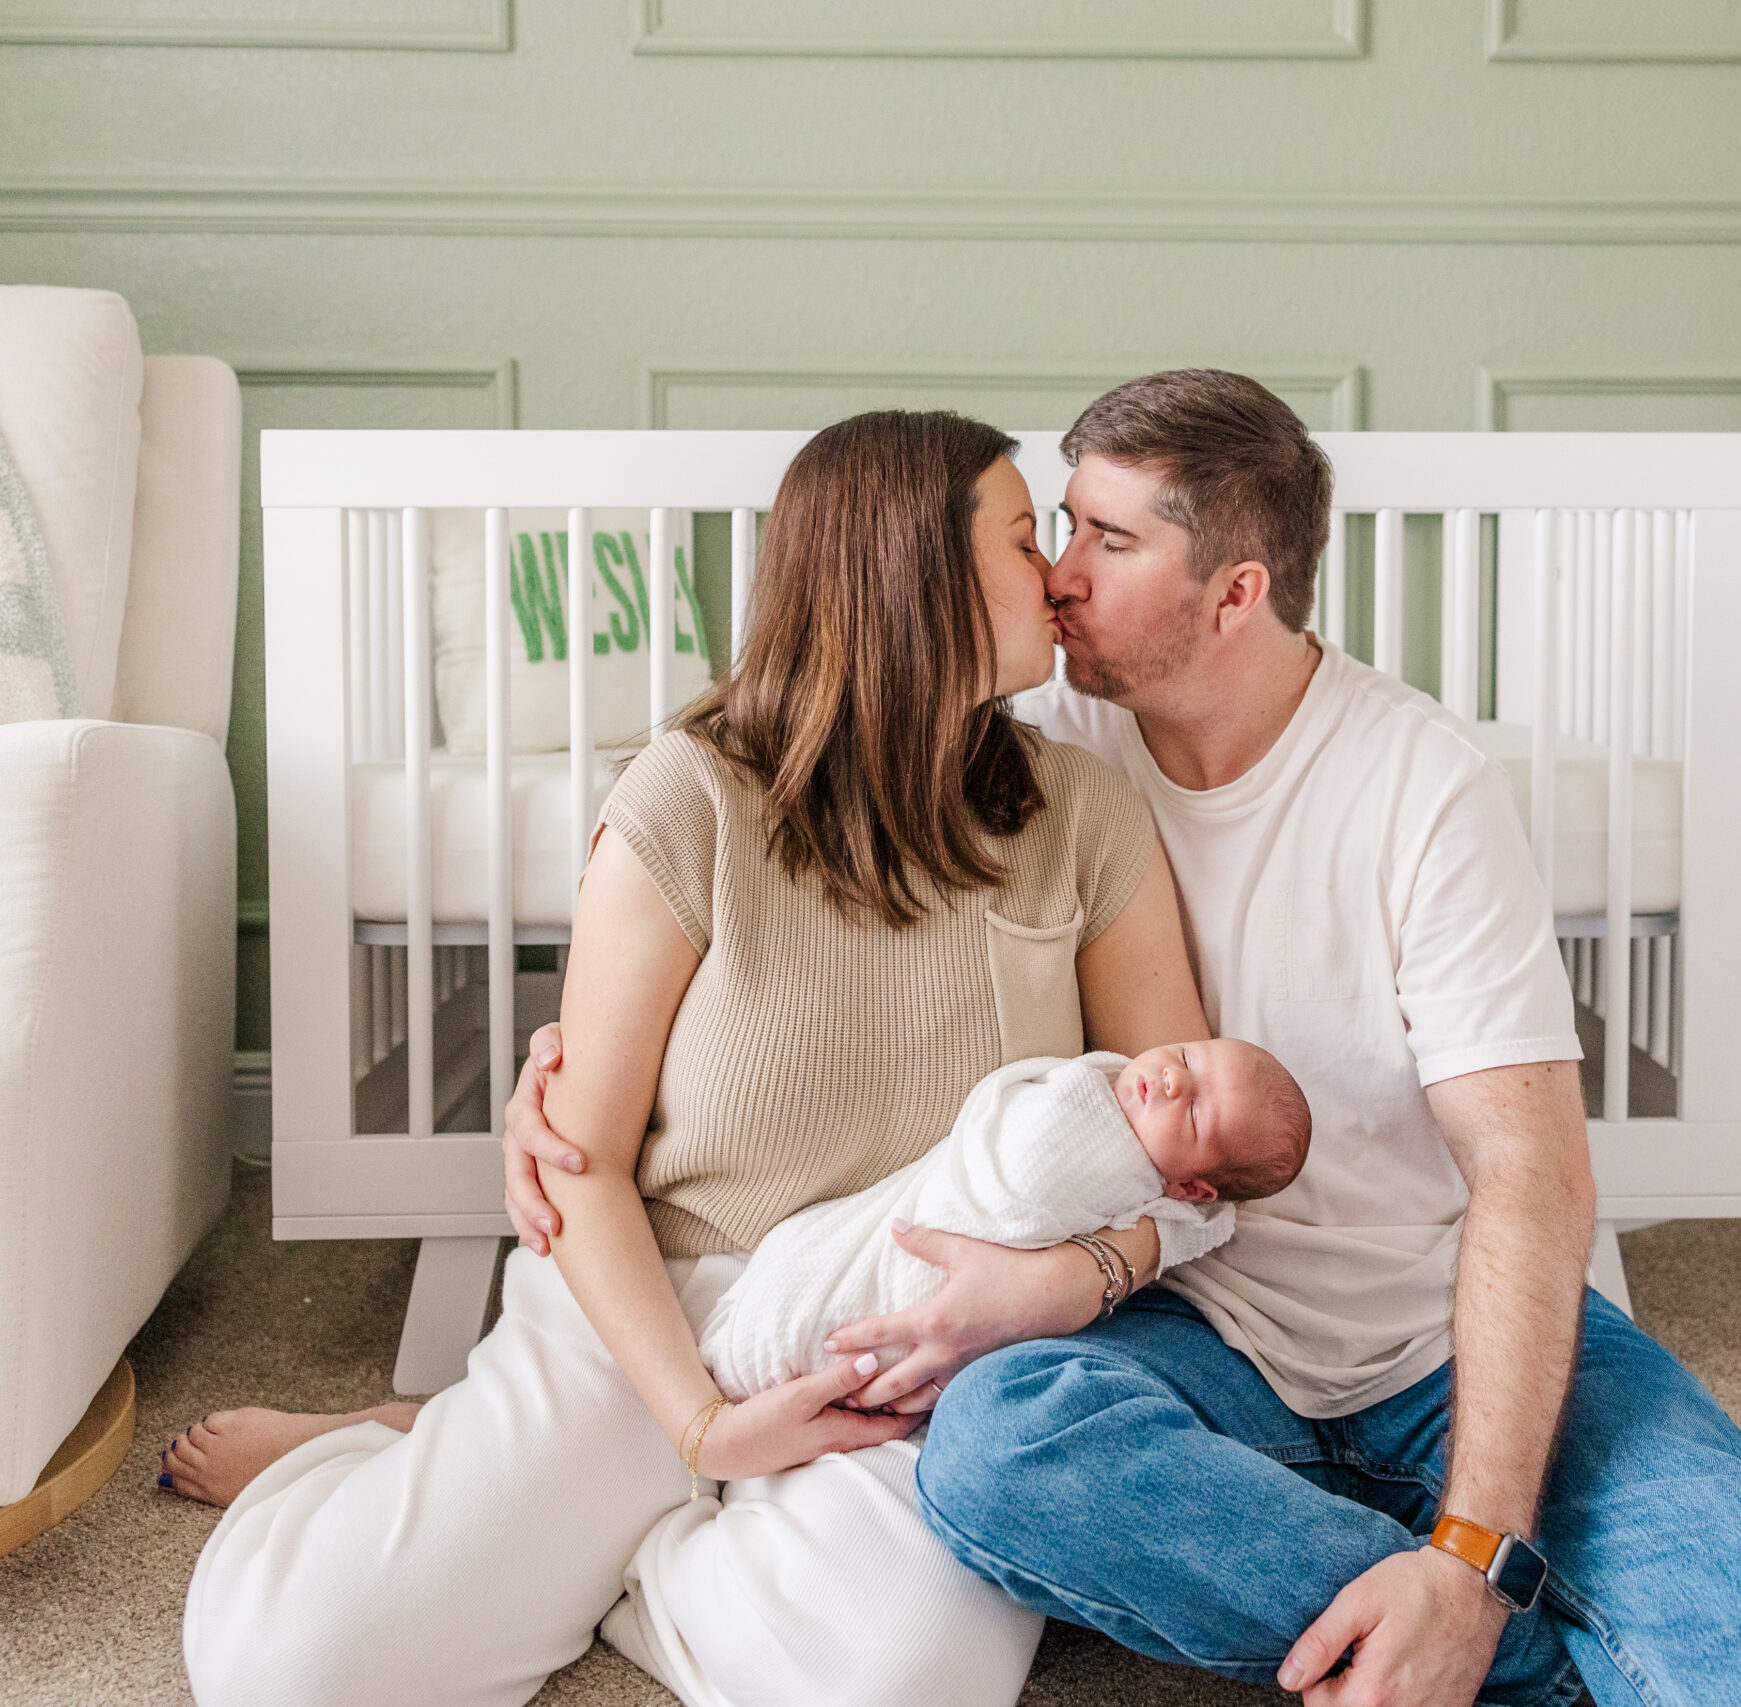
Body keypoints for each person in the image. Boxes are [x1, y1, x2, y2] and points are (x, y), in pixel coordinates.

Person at [506, 369, 1741, 1705]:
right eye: (1058, 526)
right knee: (1004, 1451)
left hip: (1429, 1336)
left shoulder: (1420, 782)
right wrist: (572, 1067)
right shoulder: (1029, 744)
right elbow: (782, 803)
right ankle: (1487, 1640)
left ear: (1235, 590)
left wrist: (1476, 1531)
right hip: (1170, 1331)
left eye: (1107, 541)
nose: (1059, 572)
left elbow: (1528, 1168)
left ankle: (1476, 1611)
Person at [169, 411, 1225, 1707]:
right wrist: (700, 1422)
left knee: (912, 1681)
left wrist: (1063, 1278)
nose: (1062, 574)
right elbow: (586, 1158)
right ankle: (382, 1464)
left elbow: (1181, 1147)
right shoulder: (691, 793)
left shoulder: (1084, 815)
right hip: (651, 1310)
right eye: (1026, 539)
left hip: (902, 1336)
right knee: (289, 1670)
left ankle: (628, 1555)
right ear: (912, 574)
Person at [697, 1039, 1311, 1398]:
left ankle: (760, 1359)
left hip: (927, 1284)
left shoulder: (1128, 1176)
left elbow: (1025, 1182)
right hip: (766, 1248)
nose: (1174, 1080)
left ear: (1193, 1187)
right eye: (1185, 1055)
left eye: (1198, 1114)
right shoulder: (1090, 1093)